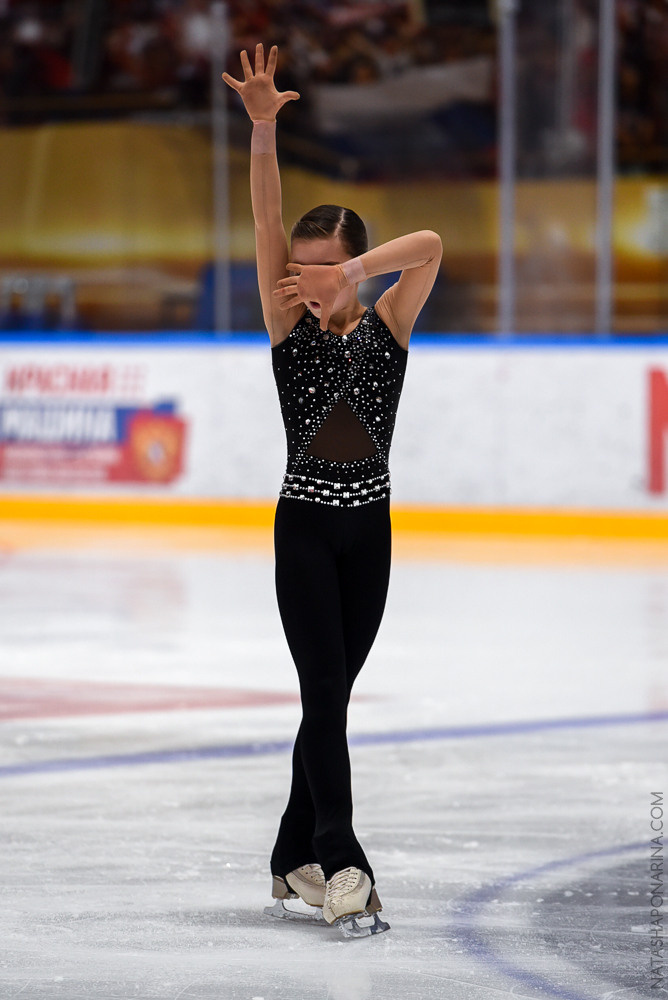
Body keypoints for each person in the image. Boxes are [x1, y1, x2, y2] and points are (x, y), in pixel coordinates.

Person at [223, 44, 442, 938]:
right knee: (323, 694)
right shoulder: (286, 322)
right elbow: (265, 218)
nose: (304, 282)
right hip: (305, 531)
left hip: (373, 534)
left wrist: (354, 276)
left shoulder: (388, 321)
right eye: (298, 269)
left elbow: (427, 248)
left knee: (331, 699)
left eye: (322, 269)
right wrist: (266, 131)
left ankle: (288, 856)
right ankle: (342, 859)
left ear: (350, 266)